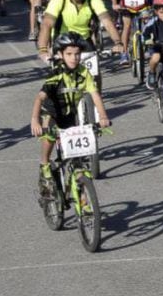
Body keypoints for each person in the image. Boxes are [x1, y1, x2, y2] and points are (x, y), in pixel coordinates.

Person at [30, 32, 111, 198]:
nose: (74, 58)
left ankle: (81, 193)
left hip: (70, 114)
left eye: (77, 54)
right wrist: (34, 120)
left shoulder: (83, 73)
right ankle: (44, 164)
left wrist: (102, 117)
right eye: (69, 54)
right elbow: (40, 97)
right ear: (60, 55)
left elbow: (95, 94)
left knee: (78, 157)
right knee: (51, 135)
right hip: (51, 112)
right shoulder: (56, 74)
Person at [38, 0, 124, 62]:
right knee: (61, 74)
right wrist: (43, 50)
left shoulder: (93, 0)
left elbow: (107, 22)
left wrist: (118, 42)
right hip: (62, 41)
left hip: (84, 41)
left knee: (95, 74)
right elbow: (46, 24)